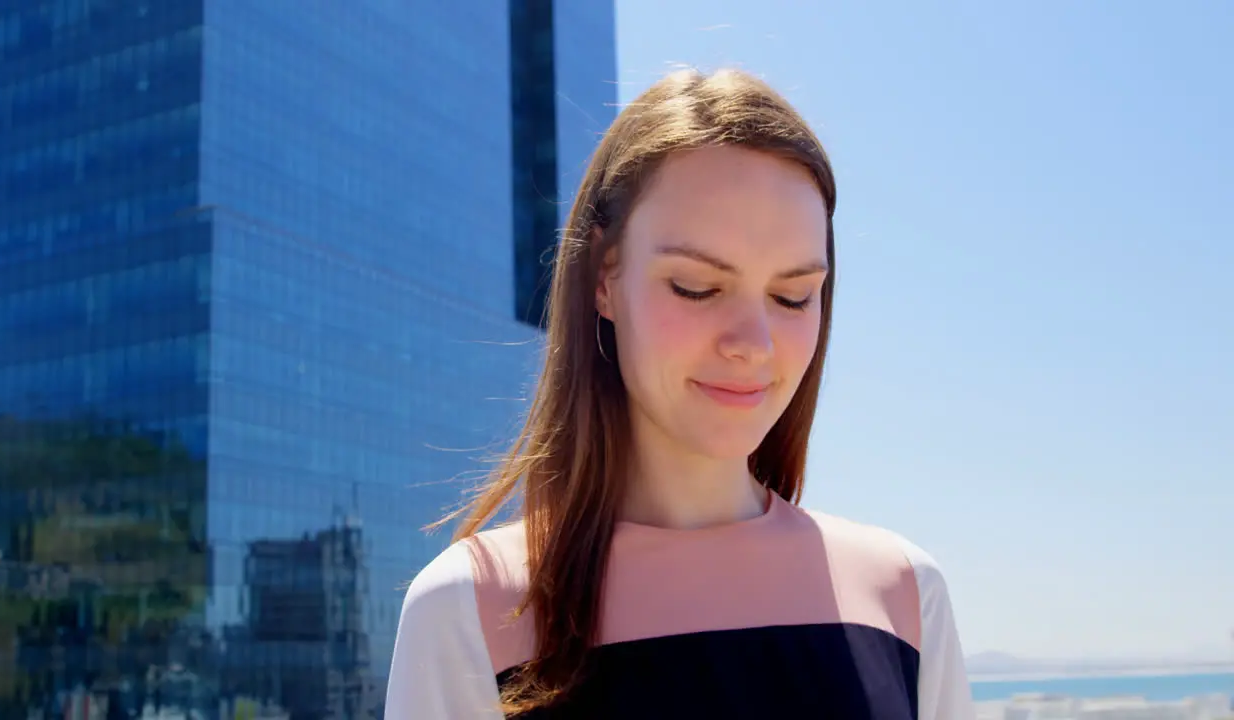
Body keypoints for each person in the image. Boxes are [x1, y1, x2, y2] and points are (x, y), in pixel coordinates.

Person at [385, 68, 975, 719]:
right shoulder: (469, 608)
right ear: (604, 280)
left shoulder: (903, 596)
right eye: (696, 287)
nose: (753, 342)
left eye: (793, 296)